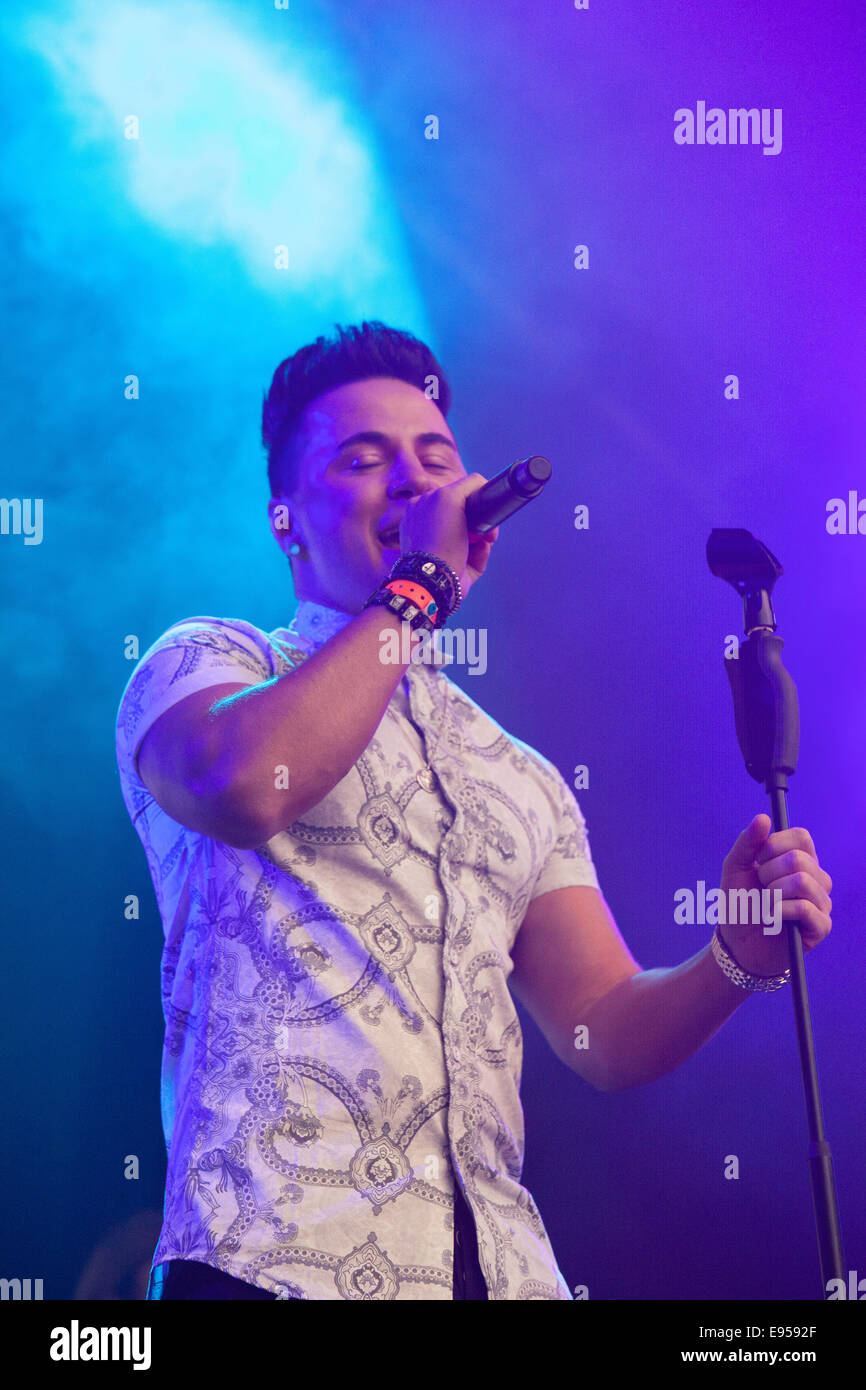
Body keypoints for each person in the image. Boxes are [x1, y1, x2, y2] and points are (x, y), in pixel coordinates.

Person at [115, 321, 832, 1301]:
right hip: (271, 1258)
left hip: (494, 1275)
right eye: (362, 459)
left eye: (434, 458)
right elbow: (248, 787)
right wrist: (418, 586)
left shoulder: (517, 776)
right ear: (284, 516)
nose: (410, 481)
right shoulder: (211, 665)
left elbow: (600, 1034)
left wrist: (732, 959)